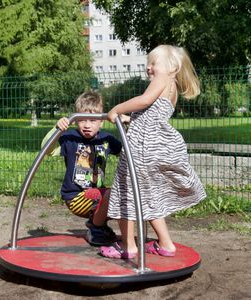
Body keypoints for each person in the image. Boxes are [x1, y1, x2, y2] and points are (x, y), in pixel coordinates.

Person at [99, 45, 207, 259]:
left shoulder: (162, 80)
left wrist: (117, 109)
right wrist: (131, 119)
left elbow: (144, 101)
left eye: (153, 63)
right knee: (148, 196)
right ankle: (166, 244)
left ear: (172, 67)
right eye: (147, 63)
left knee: (124, 193)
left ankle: (128, 247)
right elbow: (152, 116)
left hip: (141, 149)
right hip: (155, 146)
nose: (148, 67)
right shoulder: (171, 88)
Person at [41, 91, 129, 246]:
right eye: (82, 120)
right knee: (110, 194)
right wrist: (57, 129)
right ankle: (96, 228)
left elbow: (127, 152)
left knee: (122, 195)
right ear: (75, 121)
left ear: (101, 121)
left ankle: (100, 227)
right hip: (76, 197)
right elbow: (46, 150)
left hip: (97, 195)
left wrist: (126, 125)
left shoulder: (106, 139)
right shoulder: (70, 138)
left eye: (93, 120)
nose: (87, 125)